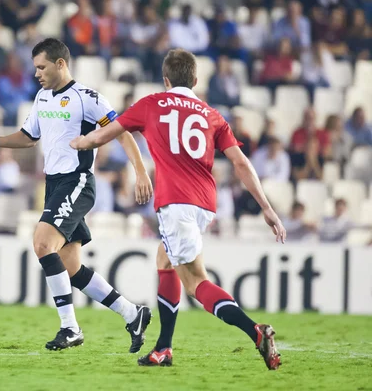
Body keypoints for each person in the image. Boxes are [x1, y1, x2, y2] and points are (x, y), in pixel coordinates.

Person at [70, 48, 286, 370]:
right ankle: (164, 349)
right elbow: (240, 162)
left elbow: (106, 134)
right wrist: (267, 208)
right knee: (165, 259)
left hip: (176, 203)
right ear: (196, 80)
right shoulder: (212, 114)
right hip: (204, 205)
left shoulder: (152, 103)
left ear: (166, 79)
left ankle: (255, 332)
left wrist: (77, 143)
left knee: (195, 282)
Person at [0, 38, 154, 352]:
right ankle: (132, 313)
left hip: (78, 181)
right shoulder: (42, 98)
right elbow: (29, 137)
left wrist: (140, 171)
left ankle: (70, 328)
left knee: (43, 244)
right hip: (54, 185)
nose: (37, 74)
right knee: (70, 267)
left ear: (61, 64)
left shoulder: (87, 98)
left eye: (42, 67)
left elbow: (121, 131)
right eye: (35, 68)